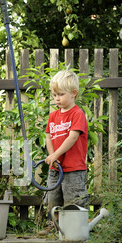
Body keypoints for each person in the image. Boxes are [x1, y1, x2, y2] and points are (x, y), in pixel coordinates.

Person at [42, 69, 89, 232]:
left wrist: (56, 154)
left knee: (73, 201)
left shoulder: (77, 114)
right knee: (52, 199)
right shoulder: (53, 116)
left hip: (74, 168)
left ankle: (74, 230)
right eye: (54, 95)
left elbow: (73, 137)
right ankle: (54, 228)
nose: (56, 99)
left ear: (73, 93)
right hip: (56, 167)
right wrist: (52, 156)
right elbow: (48, 136)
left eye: (60, 94)